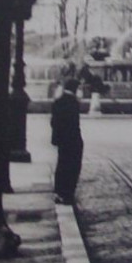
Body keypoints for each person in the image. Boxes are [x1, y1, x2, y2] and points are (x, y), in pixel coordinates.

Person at [50, 78, 84, 206]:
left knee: (62, 165)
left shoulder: (58, 101)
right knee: (73, 167)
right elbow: (74, 124)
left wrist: (57, 138)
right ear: (75, 89)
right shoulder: (73, 102)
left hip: (62, 140)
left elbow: (53, 122)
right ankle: (68, 194)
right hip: (72, 140)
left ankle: (59, 192)